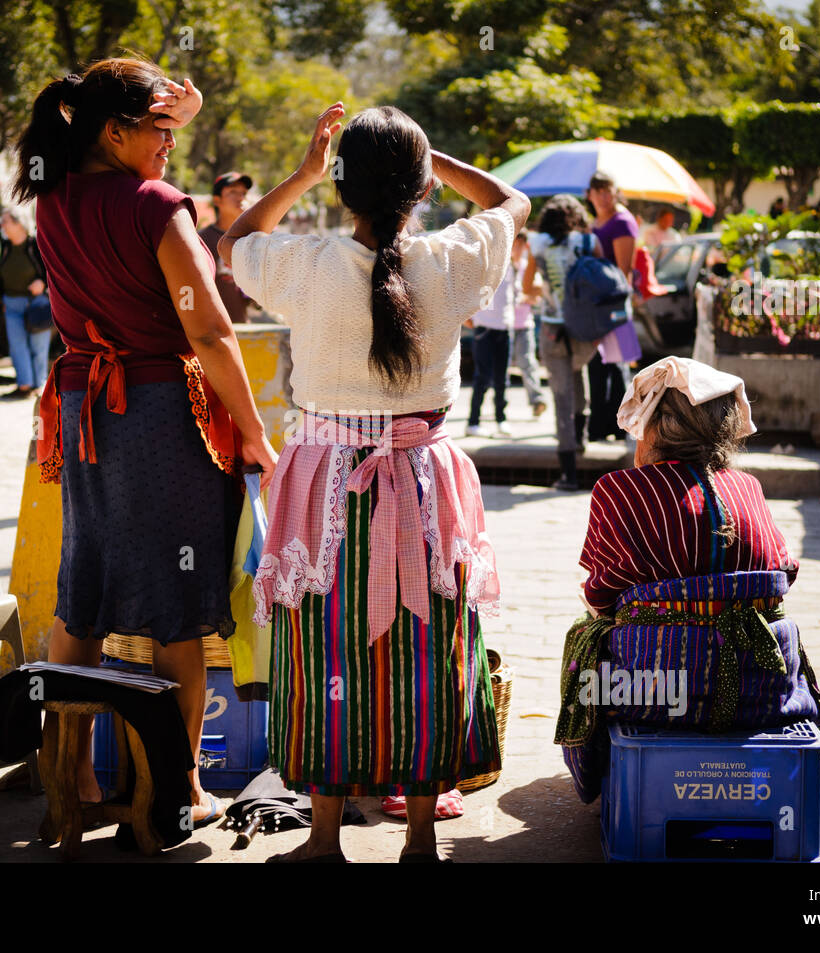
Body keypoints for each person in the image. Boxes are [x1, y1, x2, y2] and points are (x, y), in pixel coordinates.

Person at [222, 104, 529, 863]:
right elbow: (510, 203)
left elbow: (232, 241)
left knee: (324, 651)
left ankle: (324, 838)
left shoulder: (307, 264)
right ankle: (420, 838)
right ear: (422, 188)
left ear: (339, 187)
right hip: (425, 482)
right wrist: (434, 161)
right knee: (428, 651)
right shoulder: (455, 259)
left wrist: (300, 171)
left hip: (324, 486)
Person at [12, 57, 278, 825]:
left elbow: (120, 175)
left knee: (84, 595)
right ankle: (180, 785)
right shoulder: (158, 207)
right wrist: (256, 434)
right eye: (158, 130)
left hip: (87, 413)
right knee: (177, 611)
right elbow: (210, 329)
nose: (169, 143)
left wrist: (162, 128)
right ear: (115, 128)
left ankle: (73, 781)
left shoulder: (52, 200)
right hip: (163, 414)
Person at [554, 357, 820, 802]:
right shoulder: (749, 487)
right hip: (760, 691)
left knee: (583, 633)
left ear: (650, 427)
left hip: (653, 695)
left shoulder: (618, 489)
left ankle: (596, 773)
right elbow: (785, 570)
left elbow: (602, 593)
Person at [525, 194, 602, 490]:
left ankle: (568, 471)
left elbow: (526, 286)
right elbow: (601, 282)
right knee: (578, 373)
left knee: (561, 396)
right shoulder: (588, 242)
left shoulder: (537, 244)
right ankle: (581, 438)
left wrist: (548, 288)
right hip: (585, 329)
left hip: (552, 328)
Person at [586, 171, 635, 445]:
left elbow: (623, 272)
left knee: (617, 367)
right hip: (597, 303)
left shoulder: (622, 221)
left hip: (615, 301)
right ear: (590, 195)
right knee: (597, 365)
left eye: (609, 190)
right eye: (599, 191)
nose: (604, 196)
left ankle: (619, 426)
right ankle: (598, 426)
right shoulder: (595, 221)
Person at [464, 229, 516, 438]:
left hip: (504, 327)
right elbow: (470, 298)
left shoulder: (511, 266)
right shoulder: (482, 267)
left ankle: (501, 419)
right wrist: (473, 321)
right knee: (482, 378)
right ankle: (473, 421)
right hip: (484, 329)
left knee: (502, 379)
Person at [0, 205, 51, 397]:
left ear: (19, 224)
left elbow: (52, 269)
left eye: (5, 221)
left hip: (36, 302)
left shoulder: (36, 244)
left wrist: (43, 284)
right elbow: (0, 273)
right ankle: (24, 386)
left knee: (38, 345)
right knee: (17, 345)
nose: (1, 225)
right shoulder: (5, 247)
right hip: (11, 302)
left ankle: (40, 386)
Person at [197, 171, 255, 323]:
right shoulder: (202, 240)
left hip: (244, 327)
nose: (240, 197)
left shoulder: (252, 239)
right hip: (211, 330)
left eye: (243, 192)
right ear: (217, 200)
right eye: (232, 192)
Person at [508, 231, 546, 420]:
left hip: (524, 324)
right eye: (514, 243)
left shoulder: (526, 267)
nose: (517, 248)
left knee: (527, 363)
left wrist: (525, 297)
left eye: (520, 244)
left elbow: (538, 294)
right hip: (503, 325)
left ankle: (537, 400)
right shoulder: (502, 267)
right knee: (500, 368)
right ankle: (501, 407)